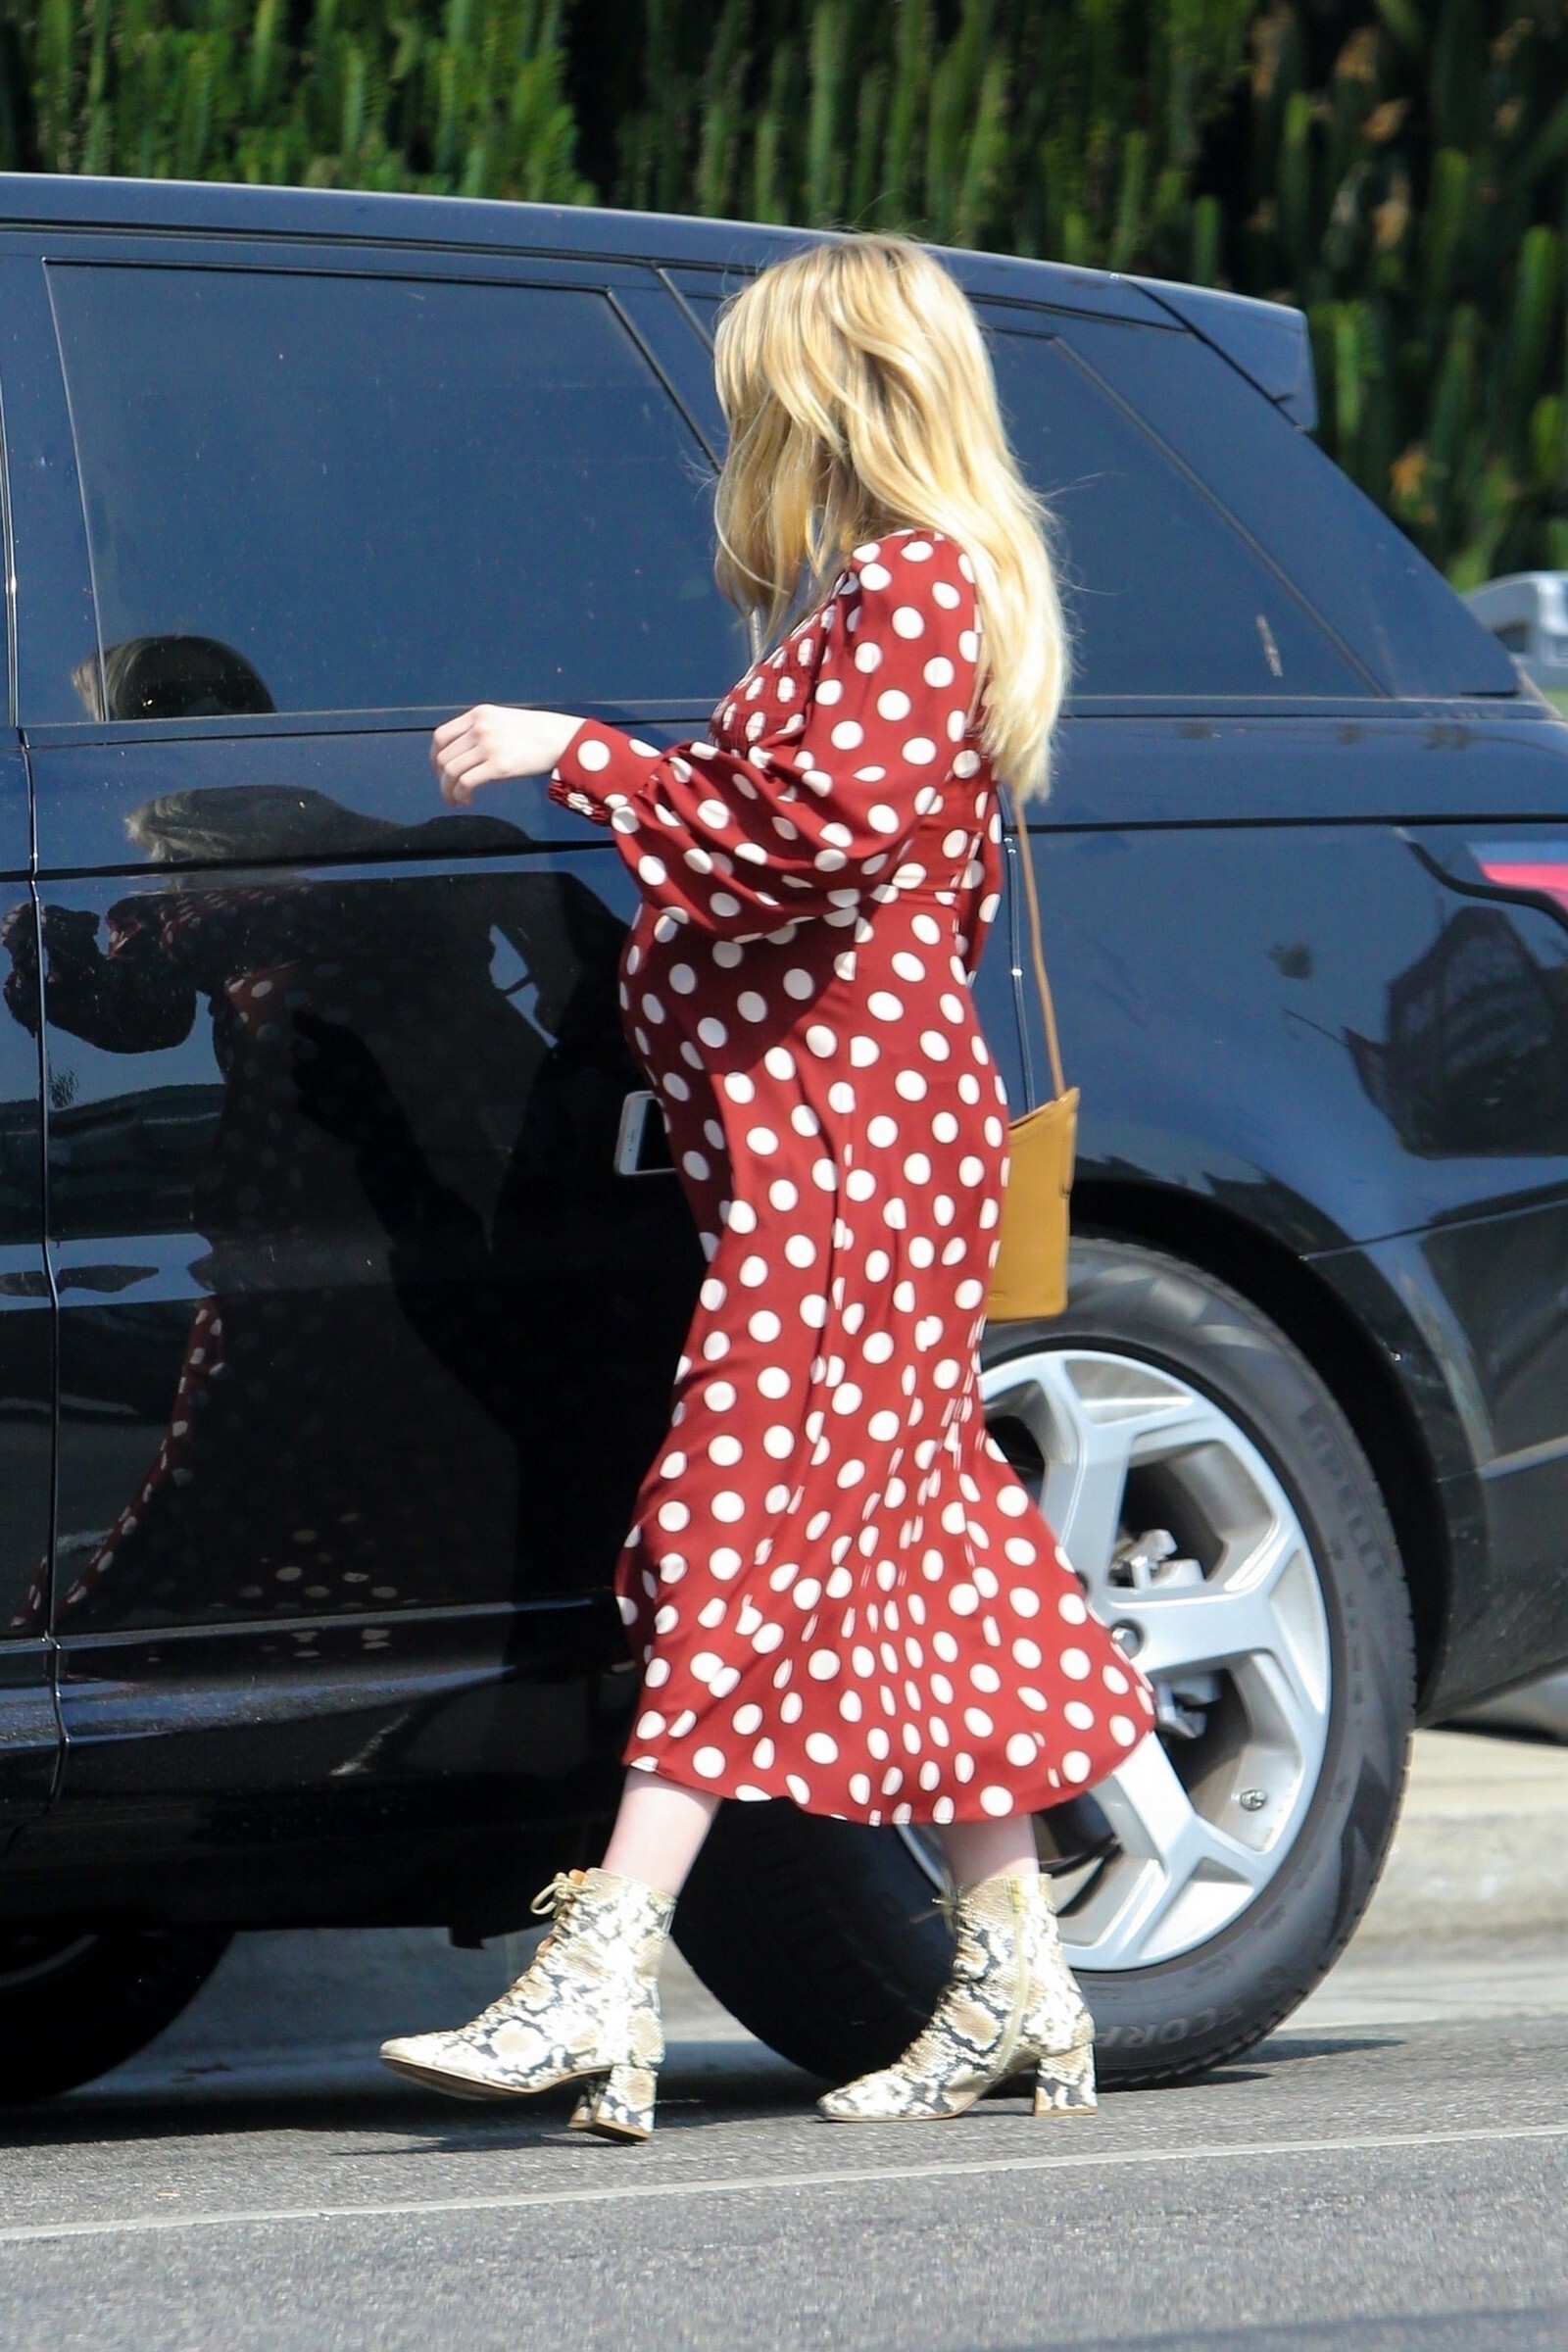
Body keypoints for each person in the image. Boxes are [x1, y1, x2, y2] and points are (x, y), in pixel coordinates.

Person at [380, 231, 1155, 2138]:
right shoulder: (893, 598)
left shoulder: (910, 591)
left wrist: (581, 757)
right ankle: (1015, 1981)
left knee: (736, 1515)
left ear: (829, 406)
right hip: (835, 1144)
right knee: (908, 1543)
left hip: (846, 1154)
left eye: (754, 406)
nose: (739, 441)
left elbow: (807, 839)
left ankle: (601, 1962)